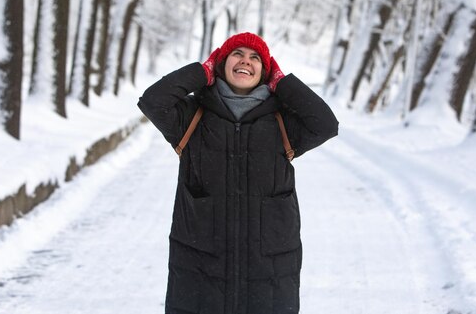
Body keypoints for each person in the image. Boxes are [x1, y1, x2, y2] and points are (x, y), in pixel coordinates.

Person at [138, 32, 339, 314]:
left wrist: (283, 84)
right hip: (200, 267)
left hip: (269, 270)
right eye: (237, 54)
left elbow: (326, 124)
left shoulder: (281, 121)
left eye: (255, 58)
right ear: (221, 64)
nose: (246, 61)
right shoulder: (192, 117)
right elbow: (152, 101)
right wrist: (201, 71)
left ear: (265, 72)